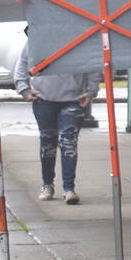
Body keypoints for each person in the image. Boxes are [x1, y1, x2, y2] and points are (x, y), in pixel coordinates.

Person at [12, 36, 100, 203]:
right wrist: (23, 88)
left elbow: (92, 64)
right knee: (48, 143)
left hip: (73, 100)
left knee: (69, 143)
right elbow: (23, 63)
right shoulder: (37, 37)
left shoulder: (80, 36)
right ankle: (47, 185)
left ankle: (69, 189)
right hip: (43, 100)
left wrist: (91, 90)